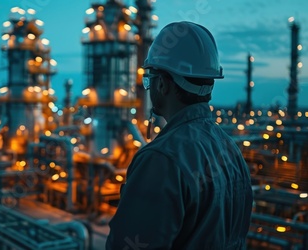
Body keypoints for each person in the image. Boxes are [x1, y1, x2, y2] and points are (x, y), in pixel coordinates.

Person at [106, 21, 253, 249]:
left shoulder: (161, 159)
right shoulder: (231, 151)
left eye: (150, 80)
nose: (149, 88)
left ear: (163, 84)